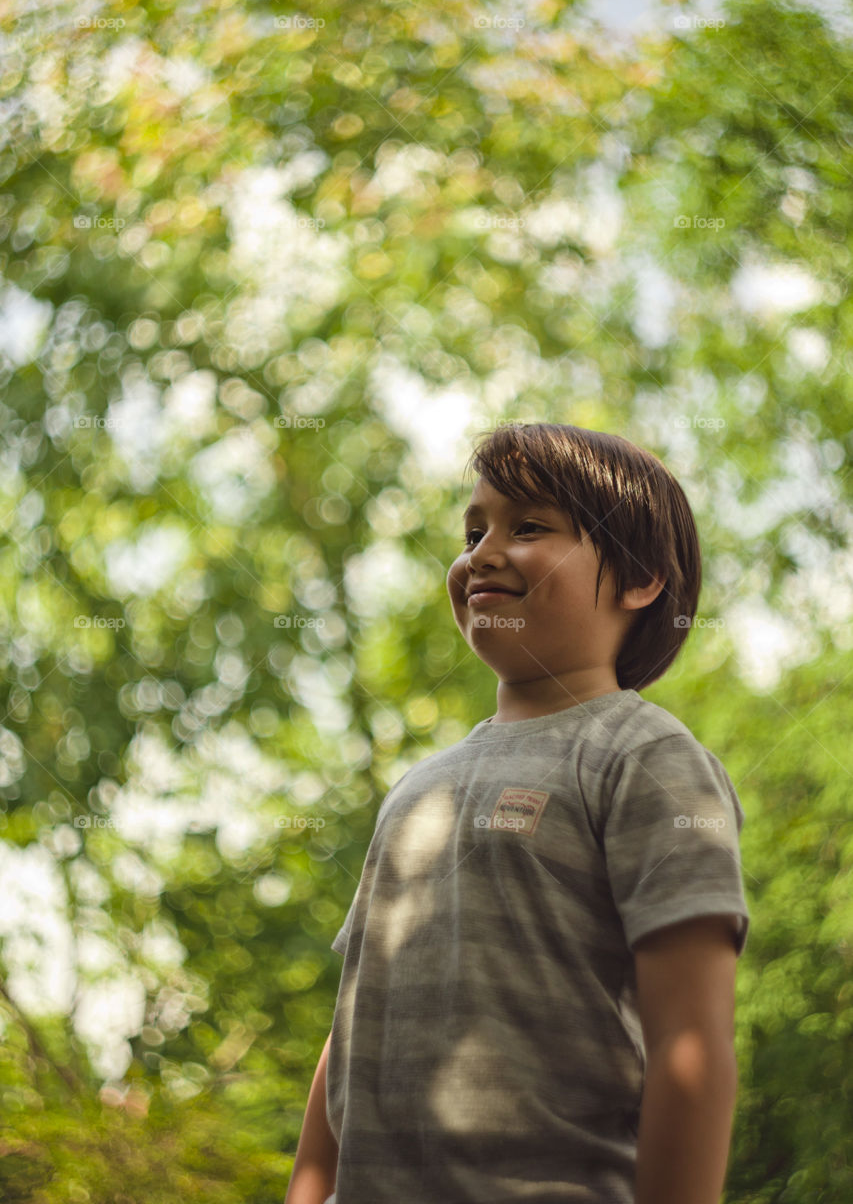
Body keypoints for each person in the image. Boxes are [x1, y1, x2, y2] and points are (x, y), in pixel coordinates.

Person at [284, 422, 751, 1204]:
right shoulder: (416, 791)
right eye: (473, 530)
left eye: (528, 527)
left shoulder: (647, 762)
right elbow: (356, 1021)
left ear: (638, 579)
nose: (480, 552)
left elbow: (691, 1041)